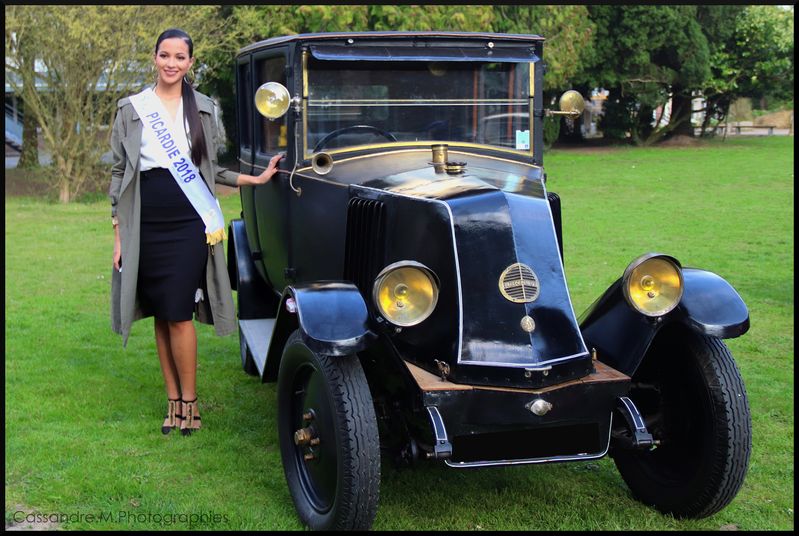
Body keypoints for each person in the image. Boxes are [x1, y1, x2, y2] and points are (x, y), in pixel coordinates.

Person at [108, 28, 283, 436]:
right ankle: (172, 400)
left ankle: (190, 400)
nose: (171, 63)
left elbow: (210, 169)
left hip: (189, 221)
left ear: (190, 63)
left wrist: (255, 180)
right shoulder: (131, 109)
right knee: (160, 311)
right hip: (145, 220)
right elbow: (118, 172)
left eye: (179, 57)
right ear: (154, 57)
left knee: (178, 312)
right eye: (164, 55)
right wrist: (118, 235)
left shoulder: (203, 108)